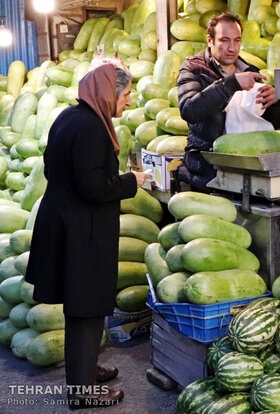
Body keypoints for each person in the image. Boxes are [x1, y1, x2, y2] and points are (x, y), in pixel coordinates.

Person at [25, 63, 149, 410]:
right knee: (86, 310)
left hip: (66, 223)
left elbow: (52, 167)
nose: (127, 101)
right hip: (82, 232)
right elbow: (93, 186)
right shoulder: (93, 127)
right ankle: (82, 393)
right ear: (109, 93)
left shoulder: (69, 117)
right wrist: (131, 181)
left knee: (84, 308)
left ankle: (86, 370)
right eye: (125, 95)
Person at [176, 11, 280, 190]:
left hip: (246, 172)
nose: (232, 48)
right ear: (210, 41)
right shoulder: (193, 68)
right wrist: (231, 84)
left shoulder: (251, 71)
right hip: (206, 172)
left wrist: (276, 102)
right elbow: (189, 110)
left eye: (237, 40)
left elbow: (269, 123)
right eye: (224, 40)